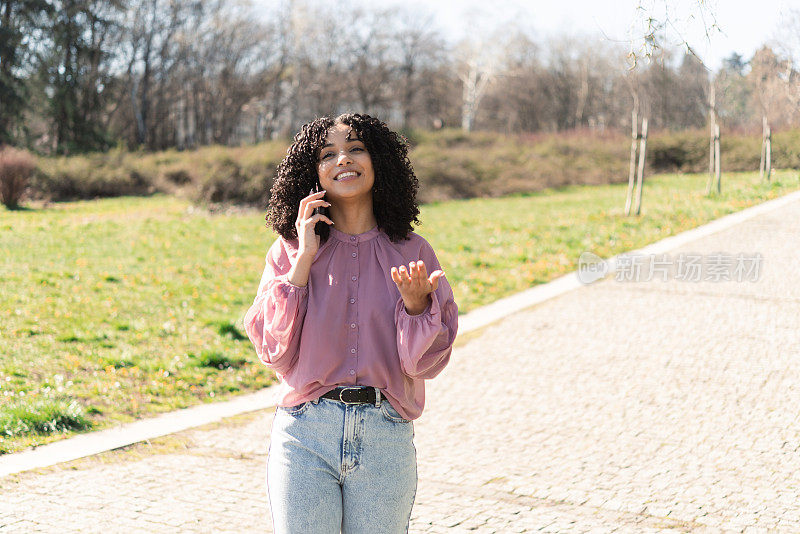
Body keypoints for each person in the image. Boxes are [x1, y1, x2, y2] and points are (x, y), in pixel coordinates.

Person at [243, 113, 459, 534]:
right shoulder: (288, 251)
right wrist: (303, 259)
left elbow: (424, 365)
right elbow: (275, 351)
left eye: (356, 148)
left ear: (378, 161)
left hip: (386, 437)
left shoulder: (413, 251)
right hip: (305, 435)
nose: (344, 159)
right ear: (314, 171)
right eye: (328, 153)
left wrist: (417, 308)